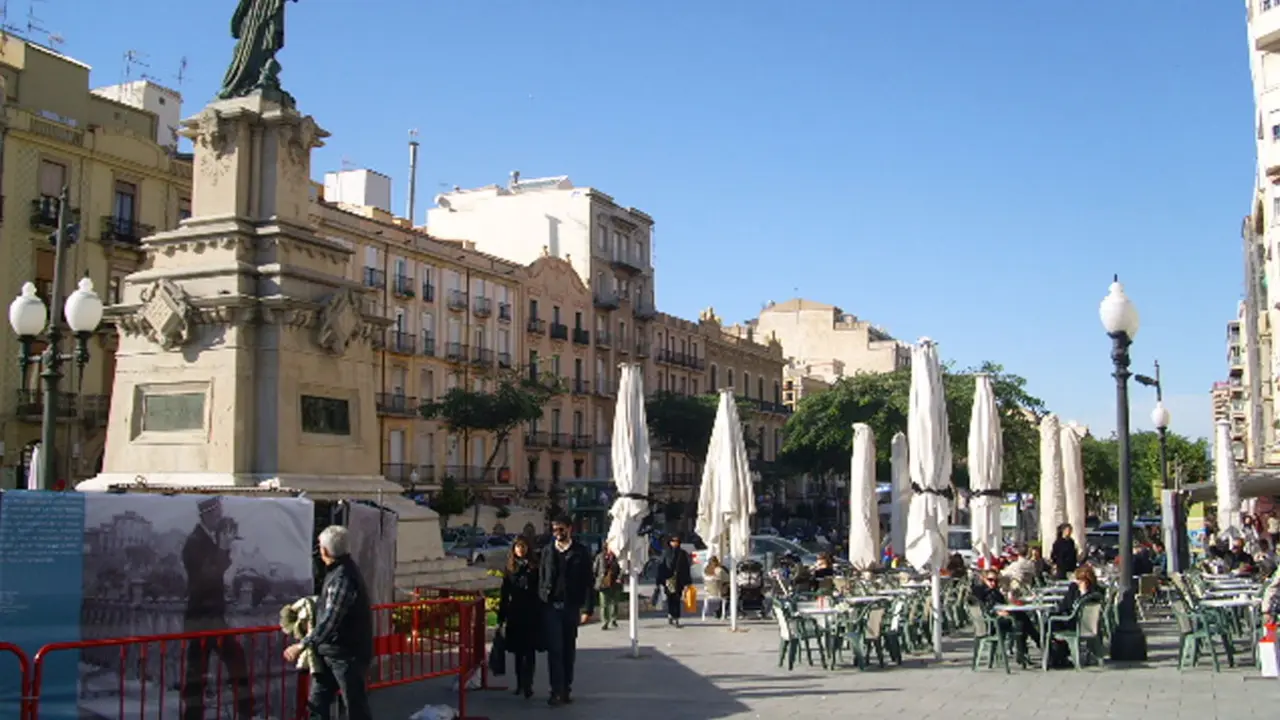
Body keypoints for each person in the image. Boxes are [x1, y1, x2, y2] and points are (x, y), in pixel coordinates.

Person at [285, 526, 374, 720]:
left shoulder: (343, 577)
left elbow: (331, 619)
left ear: (325, 550)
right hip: (331, 652)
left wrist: (303, 644)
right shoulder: (340, 572)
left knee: (354, 707)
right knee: (317, 705)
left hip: (346, 654)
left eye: (319, 547)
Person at [182, 497, 253, 720]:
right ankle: (240, 711)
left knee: (213, 666)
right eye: (218, 513)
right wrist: (222, 550)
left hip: (211, 616)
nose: (221, 517)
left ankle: (243, 710)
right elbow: (207, 577)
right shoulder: (194, 542)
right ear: (208, 515)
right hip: (202, 617)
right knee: (201, 669)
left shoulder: (206, 540)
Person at [537, 515, 595, 707]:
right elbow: (541, 577)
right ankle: (555, 691)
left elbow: (588, 582)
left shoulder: (581, 552)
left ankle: (566, 688)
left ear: (570, 529)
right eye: (555, 530)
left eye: (561, 529)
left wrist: (587, 608)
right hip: (551, 606)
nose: (558, 533)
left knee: (568, 650)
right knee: (554, 649)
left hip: (571, 606)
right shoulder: (547, 551)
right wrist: (541, 600)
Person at [498, 536, 540, 699]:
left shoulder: (534, 567)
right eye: (517, 547)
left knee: (529, 652)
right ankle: (519, 683)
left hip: (530, 613)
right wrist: (502, 614)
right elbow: (505, 592)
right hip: (515, 612)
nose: (520, 550)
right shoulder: (510, 568)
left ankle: (528, 684)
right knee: (518, 652)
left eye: (523, 546)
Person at [973, 569, 1035, 662]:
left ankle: (1023, 653)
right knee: (1021, 623)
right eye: (990, 580)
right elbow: (985, 607)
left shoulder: (995, 591)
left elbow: (1003, 603)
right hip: (992, 623)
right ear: (984, 579)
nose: (993, 582)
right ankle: (1026, 651)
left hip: (1000, 618)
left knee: (1021, 618)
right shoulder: (981, 591)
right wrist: (996, 612)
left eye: (995, 580)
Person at [655, 535, 693, 627]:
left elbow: (686, 568)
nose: (675, 543)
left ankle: (676, 617)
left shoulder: (683, 553)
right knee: (670, 598)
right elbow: (661, 567)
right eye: (673, 541)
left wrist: (688, 582)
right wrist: (659, 581)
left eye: (677, 541)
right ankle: (671, 614)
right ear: (670, 542)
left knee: (677, 598)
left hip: (679, 580)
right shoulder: (666, 553)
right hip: (669, 579)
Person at [593, 546, 623, 630]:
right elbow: (595, 569)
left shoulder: (618, 557)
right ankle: (604, 622)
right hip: (604, 583)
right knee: (604, 603)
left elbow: (622, 568)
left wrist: (620, 578)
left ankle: (613, 619)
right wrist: (599, 579)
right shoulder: (600, 556)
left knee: (614, 602)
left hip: (615, 583)